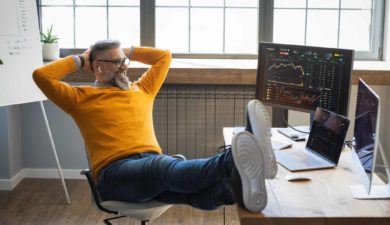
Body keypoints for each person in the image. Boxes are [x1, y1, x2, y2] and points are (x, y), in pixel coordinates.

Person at [32, 39, 274, 213]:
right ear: (99, 68)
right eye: (117, 62)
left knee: (194, 194)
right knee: (163, 167)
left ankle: (236, 191)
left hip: (147, 166)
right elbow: (41, 76)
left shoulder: (142, 88)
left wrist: (127, 50)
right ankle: (236, 157)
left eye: (124, 60)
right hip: (115, 175)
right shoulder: (79, 98)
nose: (125, 65)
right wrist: (80, 60)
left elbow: (164, 56)